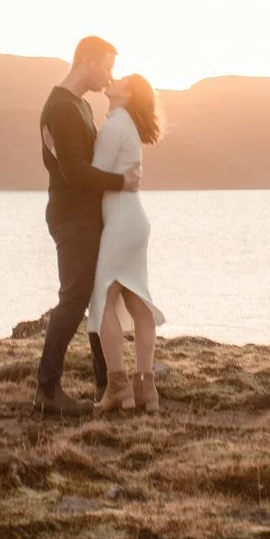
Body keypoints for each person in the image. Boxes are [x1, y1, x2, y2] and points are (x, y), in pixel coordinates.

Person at [33, 35, 140, 416]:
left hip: (86, 215)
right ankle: (47, 390)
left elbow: (83, 160)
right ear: (88, 61)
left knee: (97, 298)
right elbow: (75, 172)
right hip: (72, 217)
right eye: (107, 65)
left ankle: (107, 383)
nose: (110, 74)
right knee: (76, 299)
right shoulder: (61, 108)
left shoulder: (78, 106)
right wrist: (120, 182)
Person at [88, 73, 167, 414]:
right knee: (137, 301)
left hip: (120, 219)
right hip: (134, 219)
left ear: (127, 93)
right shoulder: (129, 126)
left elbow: (94, 175)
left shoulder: (115, 125)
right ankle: (145, 387)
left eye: (120, 80)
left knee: (103, 300)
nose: (112, 80)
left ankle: (118, 385)